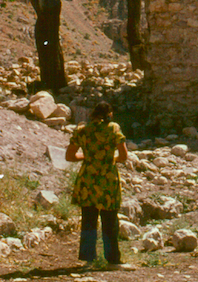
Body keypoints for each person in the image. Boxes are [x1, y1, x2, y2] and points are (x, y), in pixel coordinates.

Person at [65, 101, 134, 270]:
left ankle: (89, 259)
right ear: (109, 114)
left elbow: (70, 156)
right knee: (109, 219)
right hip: (107, 179)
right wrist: (108, 159)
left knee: (89, 219)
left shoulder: (82, 130)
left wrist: (90, 157)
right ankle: (112, 260)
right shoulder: (113, 128)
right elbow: (123, 156)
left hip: (87, 178)